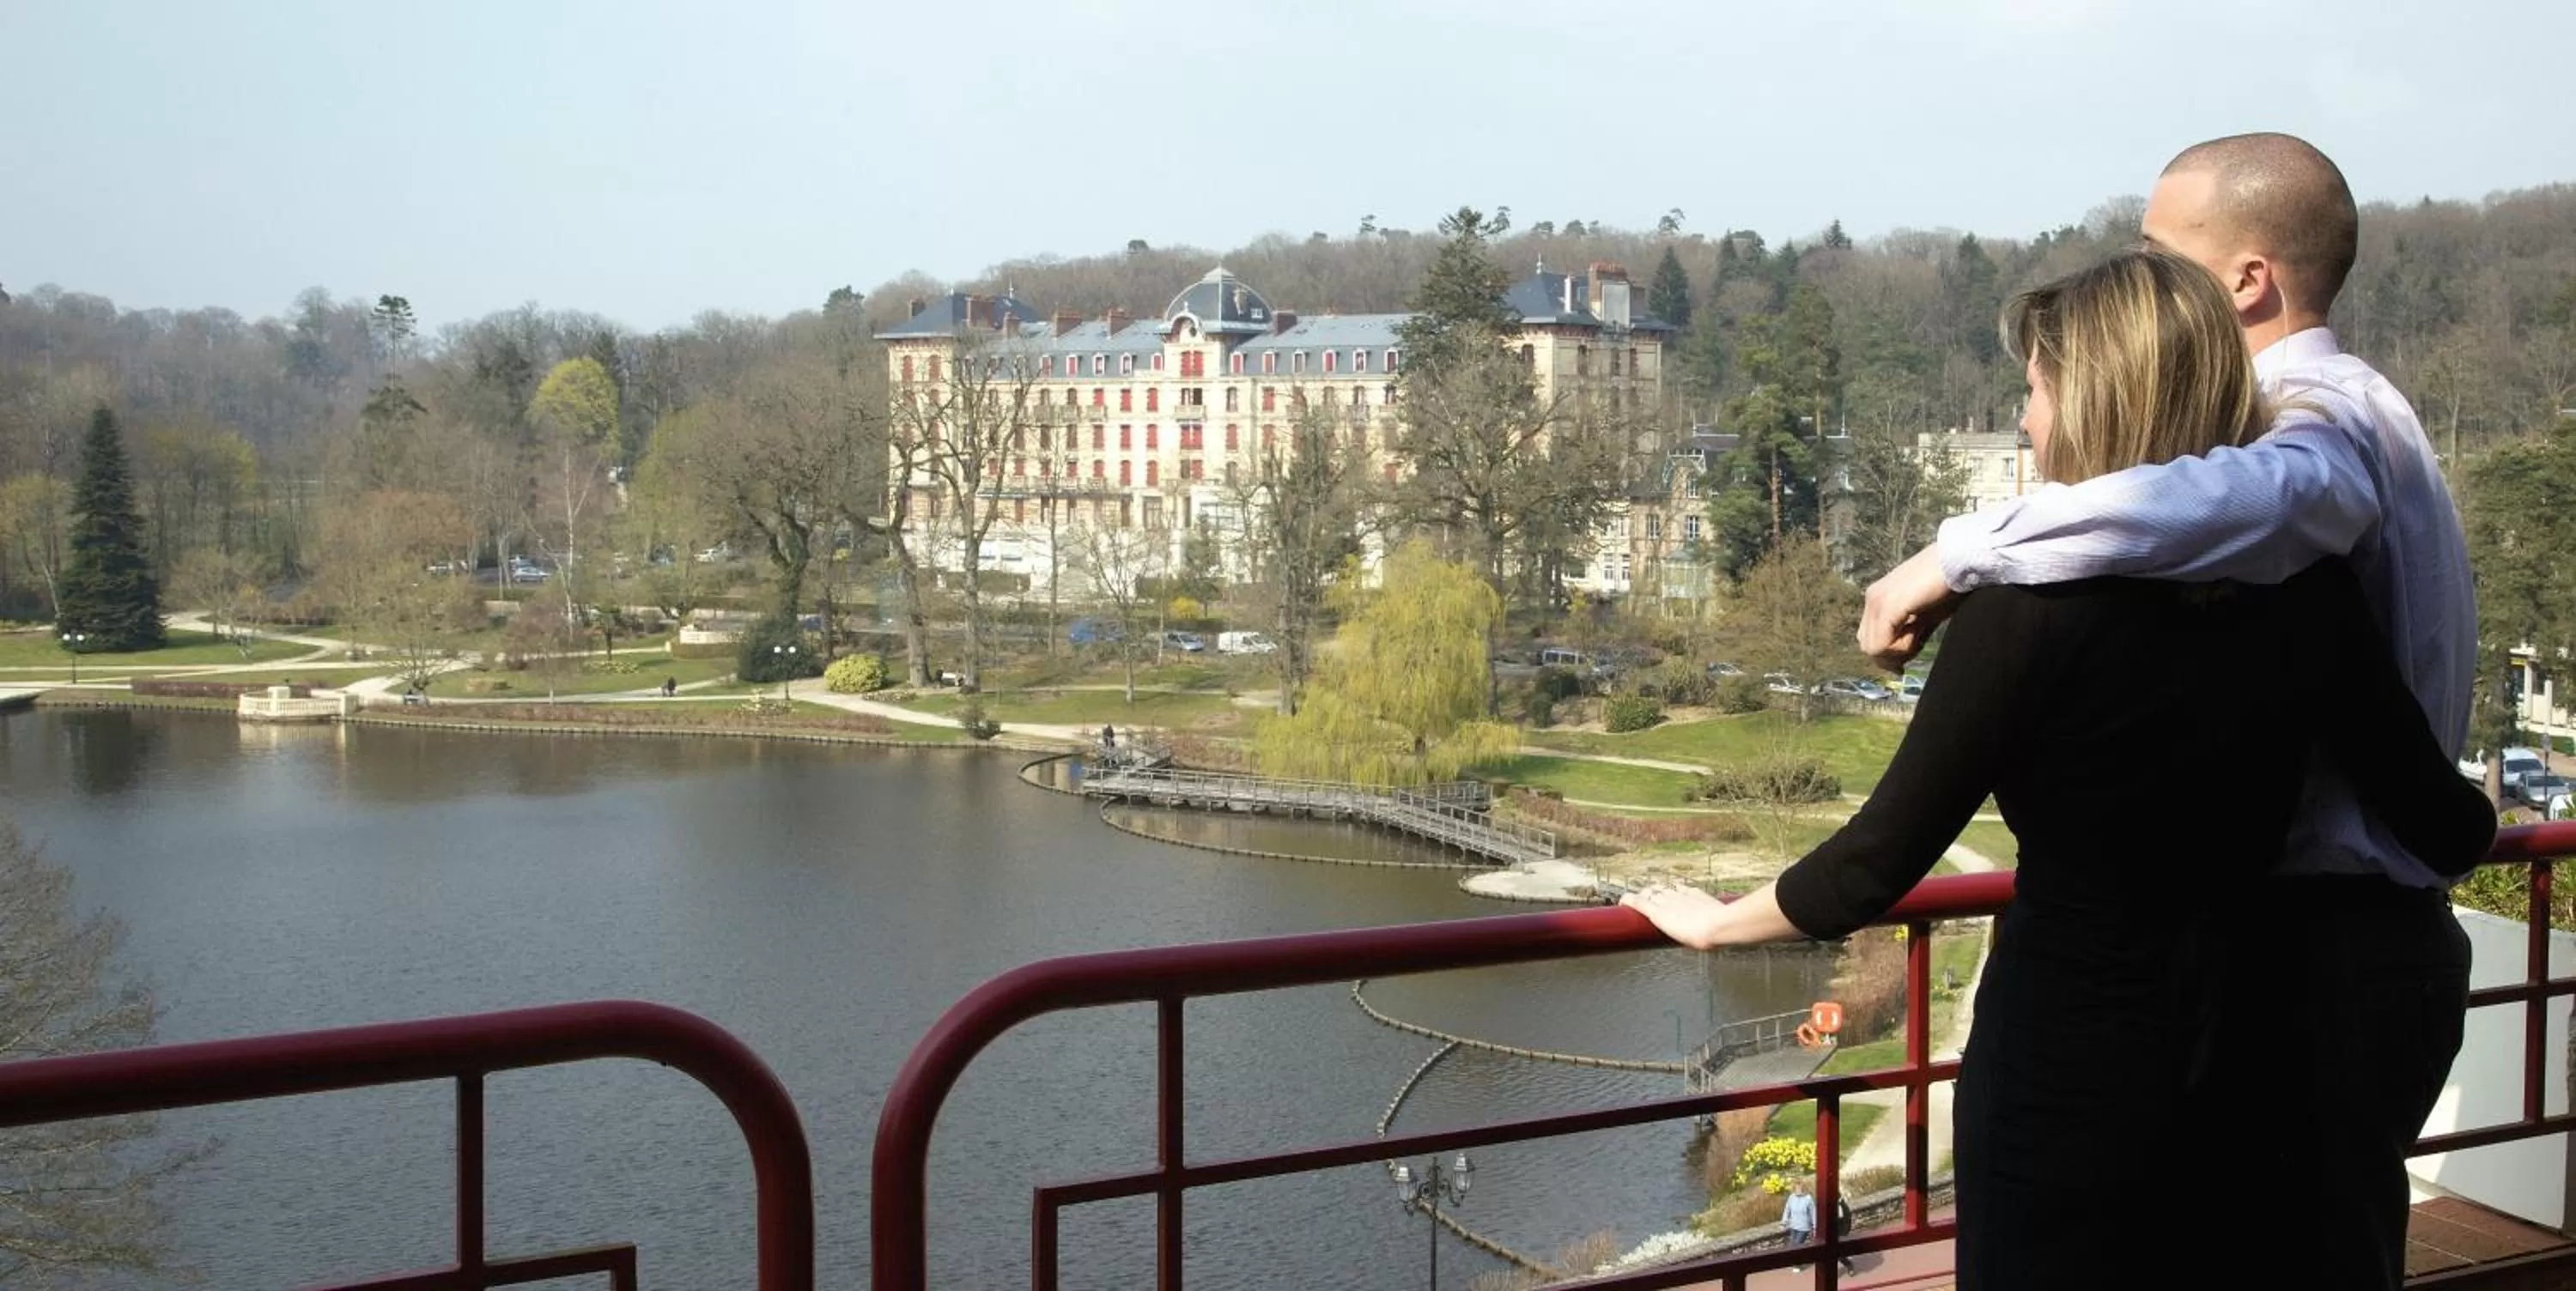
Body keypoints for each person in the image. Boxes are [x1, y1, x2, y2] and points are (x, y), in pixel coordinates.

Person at [1624, 250, 2491, 1290]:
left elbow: (1874, 862)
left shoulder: (2023, 616)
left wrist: (1716, 921)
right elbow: (2445, 828)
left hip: (2066, 1066)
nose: (2027, 423)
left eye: (2033, 392)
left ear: (2091, 401)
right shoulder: (2308, 594)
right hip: (2249, 1060)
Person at [1856, 134, 2478, 1290]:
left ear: (2243, 281)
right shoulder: (2373, 407)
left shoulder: (2316, 419)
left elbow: (2238, 495)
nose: (2138, 278)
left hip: (2312, 955)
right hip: (2366, 938)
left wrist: (1959, 556)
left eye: (2160, 251)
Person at [1780, 1178, 1816, 1269]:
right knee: (1793, 1245)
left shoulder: (1808, 1199)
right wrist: (1784, 1222)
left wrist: (1815, 1226)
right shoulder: (1791, 1197)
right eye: (1796, 1188)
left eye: (1800, 1188)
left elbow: (1813, 1213)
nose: (1798, 1190)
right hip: (1794, 1226)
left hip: (1804, 1227)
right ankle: (1797, 1262)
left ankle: (1797, 1265)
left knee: (1797, 1244)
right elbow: (1787, 1209)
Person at [1832, 1192, 1856, 1276]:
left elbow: (1848, 1219)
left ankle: (1849, 1266)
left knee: (1840, 1253)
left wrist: (1845, 1233)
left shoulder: (1842, 1205)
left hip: (1842, 1230)